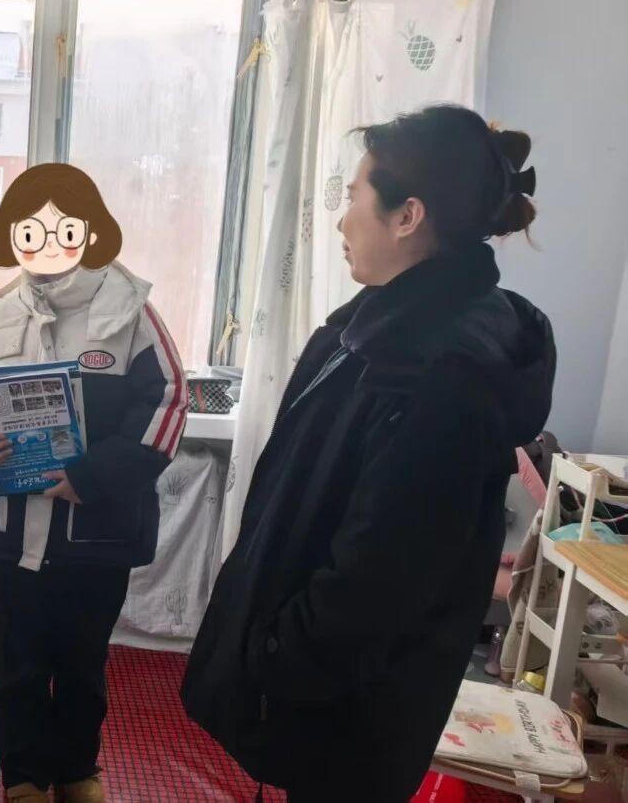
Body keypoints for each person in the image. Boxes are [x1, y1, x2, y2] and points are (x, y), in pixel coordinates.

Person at [182, 105, 556, 801]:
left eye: (354, 196)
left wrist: (273, 657)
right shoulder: (381, 332)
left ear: (407, 216)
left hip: (345, 713)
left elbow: (374, 581)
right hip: (336, 698)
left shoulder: (436, 376)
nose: (341, 220)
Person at [0, 163, 188, 803]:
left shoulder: (133, 312)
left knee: (82, 663)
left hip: (94, 533)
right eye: (30, 231)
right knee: (18, 663)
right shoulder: (1, 311)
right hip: (13, 531)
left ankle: (78, 771)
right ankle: (24, 777)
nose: (47, 244)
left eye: (63, 229)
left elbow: (169, 402)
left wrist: (92, 477)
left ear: (91, 230)